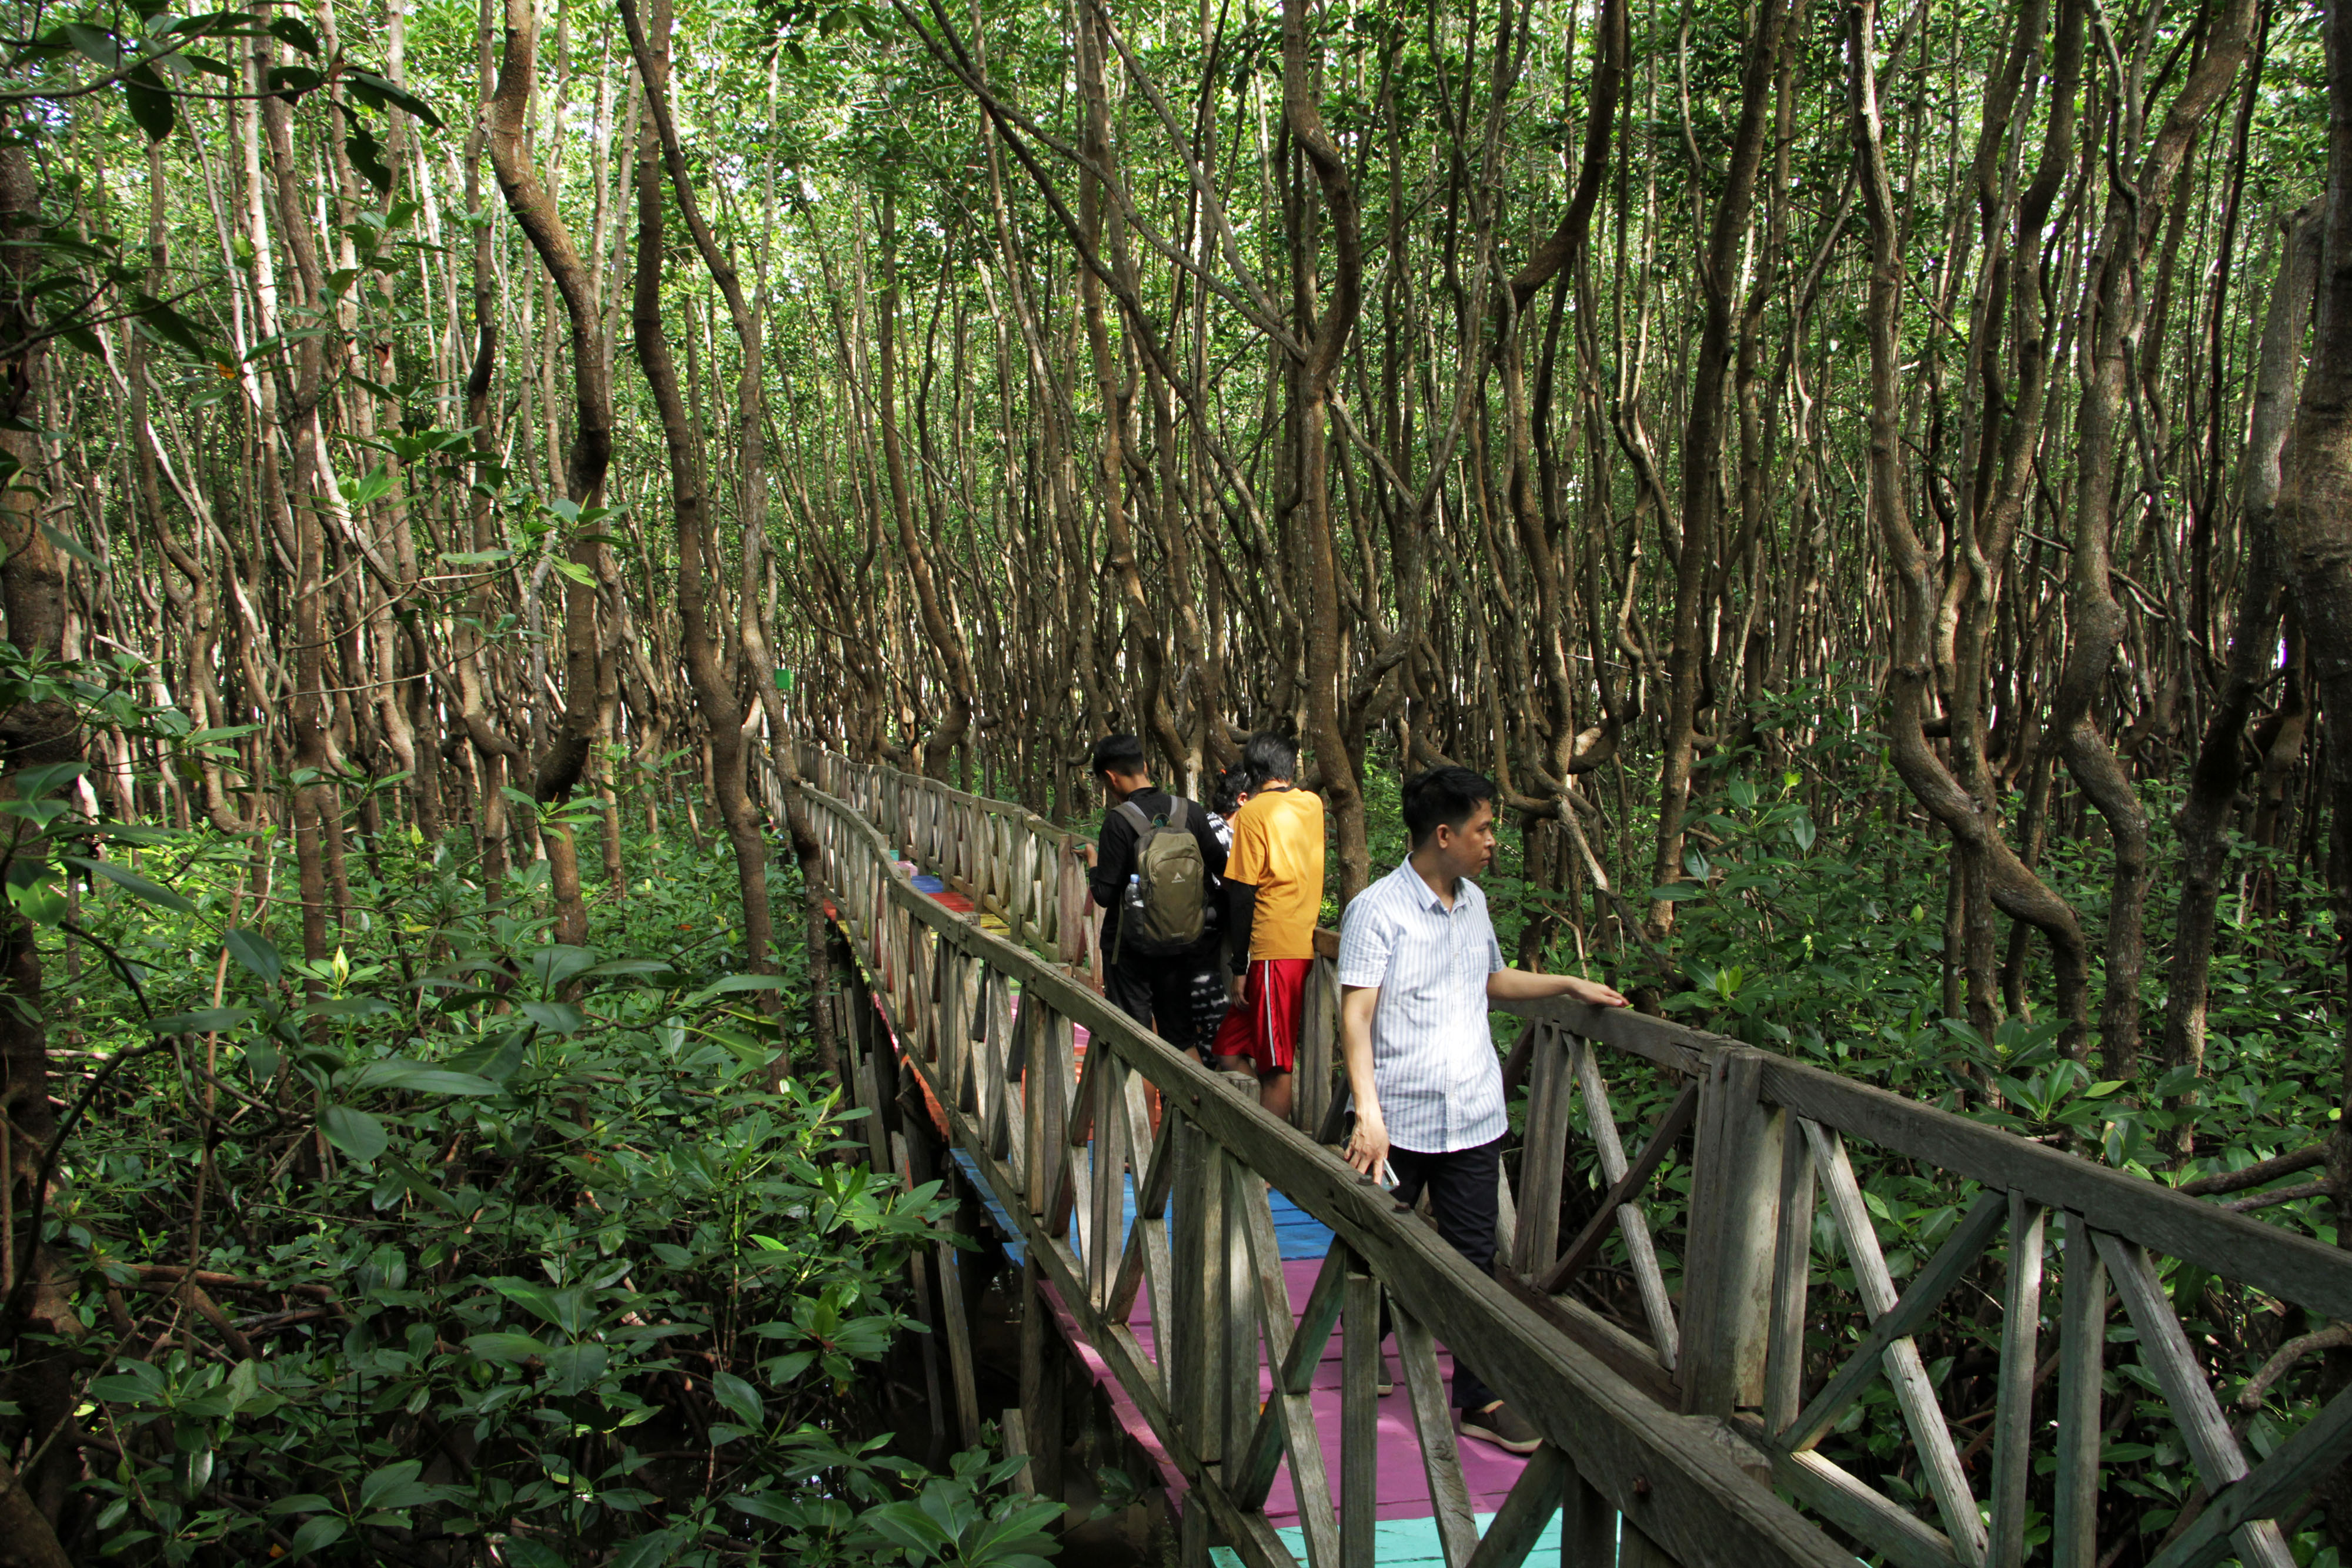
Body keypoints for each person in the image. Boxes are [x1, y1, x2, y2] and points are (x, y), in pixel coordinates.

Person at [1337, 764, 1629, 1455]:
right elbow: (1355, 1017)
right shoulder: (1376, 911)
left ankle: (1478, 1396)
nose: (1493, 840)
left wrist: (1567, 983)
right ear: (1444, 834)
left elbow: (1489, 981)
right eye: (1483, 828)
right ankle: (1364, 1333)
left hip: (1470, 1111)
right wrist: (1366, 1112)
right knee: (1376, 1243)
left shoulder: (1473, 904)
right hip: (1398, 1113)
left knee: (1473, 1258)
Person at [1085, 734, 1230, 1060]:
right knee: (1180, 1036)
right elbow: (1226, 872)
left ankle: (1143, 1114)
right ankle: (1188, 1110)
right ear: (1146, 766)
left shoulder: (1118, 822)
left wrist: (1094, 864)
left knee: (1135, 1041)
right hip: (1182, 946)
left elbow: (1105, 895)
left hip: (1130, 950)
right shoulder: (1191, 812)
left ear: (1111, 778)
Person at [1210, 733, 1323, 1121]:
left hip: (1273, 950)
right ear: (1289, 767)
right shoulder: (1312, 803)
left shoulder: (1255, 814)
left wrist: (1239, 966)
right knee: (1227, 1047)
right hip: (1294, 946)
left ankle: (1266, 1170)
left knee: (1275, 1067)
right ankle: (1257, 1132)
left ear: (1254, 773)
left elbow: (1240, 893)